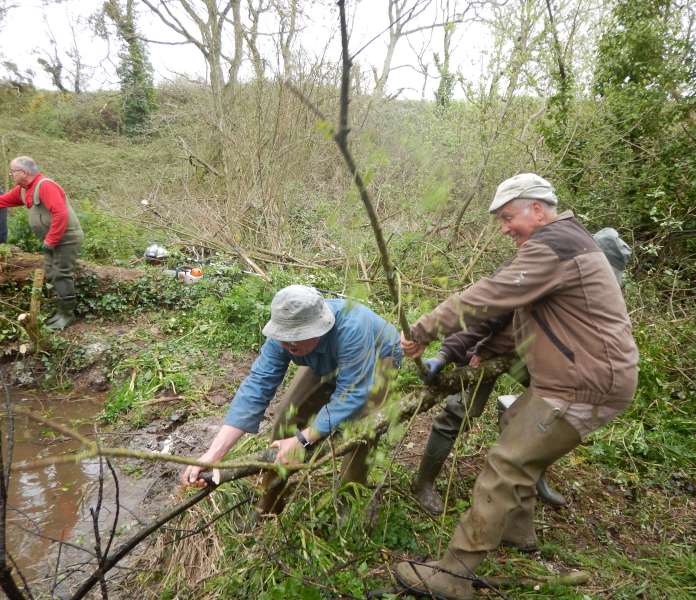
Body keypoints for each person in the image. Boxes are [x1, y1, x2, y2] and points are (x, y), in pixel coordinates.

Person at [393, 173, 639, 600]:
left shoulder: (556, 245)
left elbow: (488, 295)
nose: (505, 228)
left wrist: (424, 328)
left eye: (509, 217)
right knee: (515, 420)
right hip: (583, 377)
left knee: (505, 466)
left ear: (538, 210)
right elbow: (523, 321)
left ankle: (454, 577)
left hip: (582, 384)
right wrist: (470, 352)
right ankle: (517, 530)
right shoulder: (565, 245)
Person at [413, 227, 632, 515]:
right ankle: (423, 483)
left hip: (537, 357)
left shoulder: (598, 288)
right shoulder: (545, 266)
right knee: (459, 411)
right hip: (488, 349)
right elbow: (484, 314)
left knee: (548, 413)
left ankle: (530, 472)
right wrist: (445, 354)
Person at [182, 284, 403, 516]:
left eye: (298, 337)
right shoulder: (282, 340)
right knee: (286, 419)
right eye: (285, 338)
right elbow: (257, 385)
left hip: (379, 357)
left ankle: (348, 502)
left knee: (360, 433)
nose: (289, 344)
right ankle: (268, 504)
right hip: (325, 355)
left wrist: (305, 438)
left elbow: (352, 393)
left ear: (321, 327)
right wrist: (214, 454)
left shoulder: (352, 327)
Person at [0, 156, 84, 329]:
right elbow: (3, 200)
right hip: (53, 239)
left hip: (66, 238)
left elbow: (61, 214)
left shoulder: (45, 185)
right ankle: (60, 310)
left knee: (61, 273)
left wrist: (50, 241)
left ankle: (67, 314)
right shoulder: (23, 189)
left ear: (23, 173)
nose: (10, 175)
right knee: (52, 273)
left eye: (12, 172)